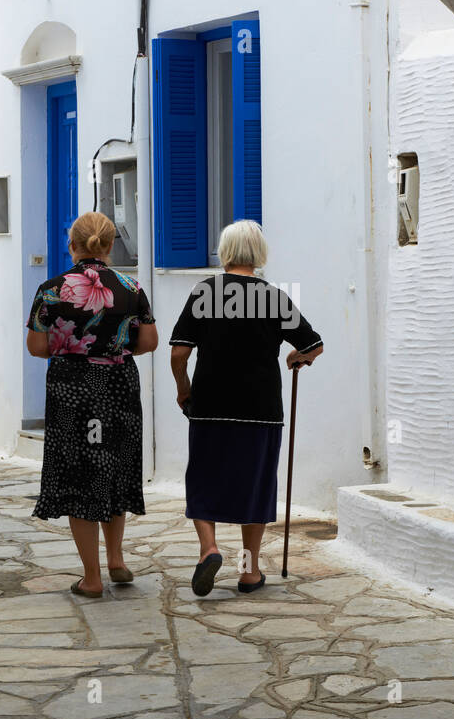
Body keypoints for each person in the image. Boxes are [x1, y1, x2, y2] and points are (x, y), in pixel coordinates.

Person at [169, 220, 324, 596]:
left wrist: (183, 388)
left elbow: (179, 352)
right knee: (254, 485)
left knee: (203, 478)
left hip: (210, 405)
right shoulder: (273, 297)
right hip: (260, 409)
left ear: (225, 253)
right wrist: (295, 358)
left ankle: (209, 550)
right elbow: (314, 344)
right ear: (259, 255)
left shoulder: (205, 293)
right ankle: (248, 572)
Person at [26, 212, 159, 598]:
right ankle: (116, 559)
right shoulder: (130, 287)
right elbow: (148, 342)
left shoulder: (52, 290)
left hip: (72, 388)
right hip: (117, 384)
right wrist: (115, 348)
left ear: (73, 245)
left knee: (78, 473)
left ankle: (92, 577)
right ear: (109, 244)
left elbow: (37, 347)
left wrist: (72, 346)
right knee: (113, 465)